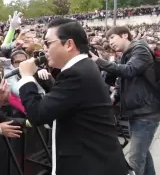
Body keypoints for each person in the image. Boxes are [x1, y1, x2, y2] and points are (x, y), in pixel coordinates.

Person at [17, 18, 128, 175]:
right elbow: (61, 112)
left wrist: (27, 77)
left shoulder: (76, 73)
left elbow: (37, 114)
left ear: (69, 44)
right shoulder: (83, 67)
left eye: (48, 43)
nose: (45, 48)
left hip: (91, 166)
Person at [91, 26, 160, 175]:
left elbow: (129, 71)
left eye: (112, 38)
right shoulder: (126, 54)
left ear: (124, 35)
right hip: (137, 112)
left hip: (146, 114)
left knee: (135, 161)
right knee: (143, 155)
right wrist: (114, 96)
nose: (110, 42)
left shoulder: (140, 49)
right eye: (108, 39)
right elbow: (120, 81)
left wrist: (99, 61)